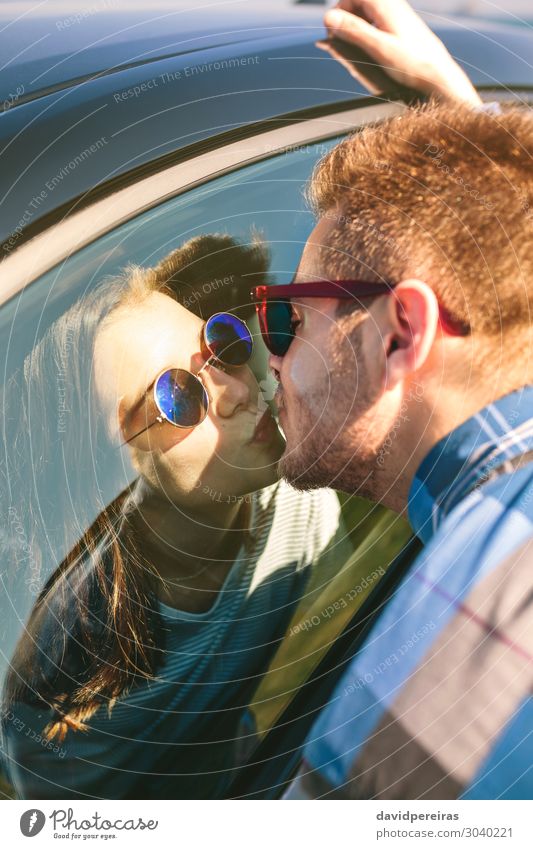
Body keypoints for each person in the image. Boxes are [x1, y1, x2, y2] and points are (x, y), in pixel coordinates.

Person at [0, 233, 405, 799]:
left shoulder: (298, 512)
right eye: (177, 397)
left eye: (223, 343)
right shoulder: (63, 674)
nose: (238, 390)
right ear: (105, 472)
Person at [254, 1, 533, 798]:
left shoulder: (473, 625)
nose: (270, 360)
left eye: (286, 318)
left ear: (402, 331)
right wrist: (459, 119)